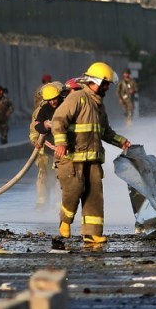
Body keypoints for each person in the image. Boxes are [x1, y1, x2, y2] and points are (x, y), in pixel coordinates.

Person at [52, 62, 131, 245]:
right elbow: (58, 119)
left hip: (93, 159)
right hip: (72, 158)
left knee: (94, 196)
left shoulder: (99, 106)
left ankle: (92, 233)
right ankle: (65, 220)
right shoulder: (77, 98)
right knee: (74, 191)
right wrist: (61, 142)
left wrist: (121, 142)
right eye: (105, 84)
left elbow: (105, 132)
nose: (107, 88)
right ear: (96, 81)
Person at [32, 81, 64, 211]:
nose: (53, 102)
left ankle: (59, 206)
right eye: (49, 100)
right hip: (45, 151)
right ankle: (42, 205)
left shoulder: (66, 106)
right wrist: (36, 139)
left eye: (55, 98)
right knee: (44, 178)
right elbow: (35, 128)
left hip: (62, 149)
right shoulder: (42, 110)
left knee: (60, 178)